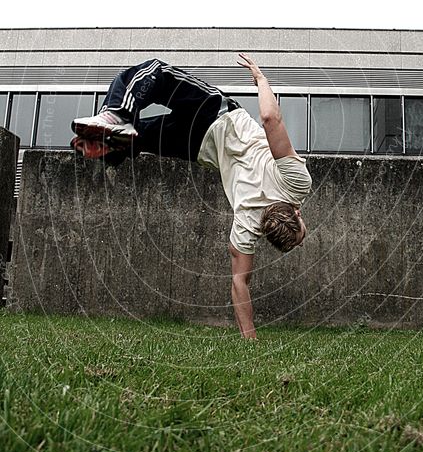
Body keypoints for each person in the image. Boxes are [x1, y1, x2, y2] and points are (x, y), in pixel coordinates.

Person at [71, 53, 312, 338]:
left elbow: (271, 119)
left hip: (214, 114)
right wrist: (250, 338)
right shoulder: (248, 225)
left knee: (154, 73)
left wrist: (260, 79)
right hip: (197, 147)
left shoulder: (296, 185)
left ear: (297, 214)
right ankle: (110, 148)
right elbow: (240, 283)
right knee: (141, 136)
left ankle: (116, 115)